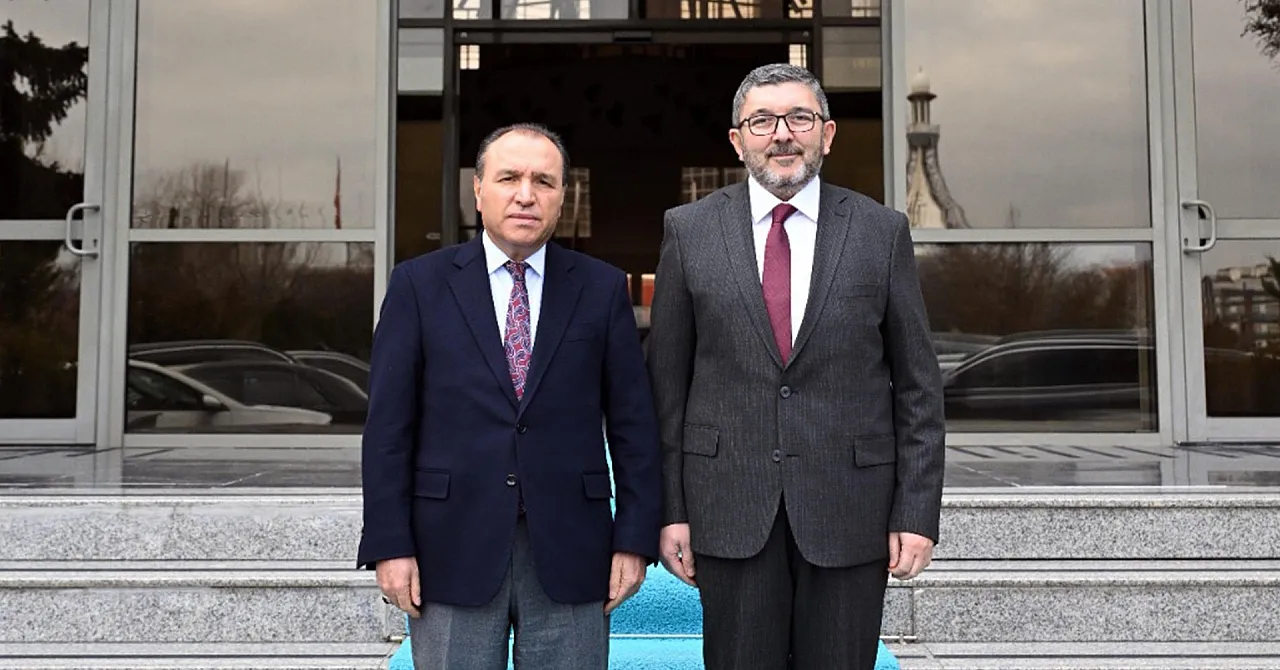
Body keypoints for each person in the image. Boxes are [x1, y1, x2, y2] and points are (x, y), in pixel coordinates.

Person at [645, 63, 946, 670]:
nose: (782, 134)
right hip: (729, 507)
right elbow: (666, 389)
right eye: (762, 121)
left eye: (799, 118)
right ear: (738, 140)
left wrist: (916, 512)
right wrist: (670, 509)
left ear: (826, 134)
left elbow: (918, 386)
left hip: (851, 510)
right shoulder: (689, 230)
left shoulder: (881, 231)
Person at [357, 123, 662, 670]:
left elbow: (634, 425)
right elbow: (387, 430)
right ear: (478, 190)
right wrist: (389, 543)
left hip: (573, 549)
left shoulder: (600, 288)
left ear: (562, 196)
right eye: (509, 178)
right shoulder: (418, 286)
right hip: (448, 548)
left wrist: (634, 538)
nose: (526, 194)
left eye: (543, 181)